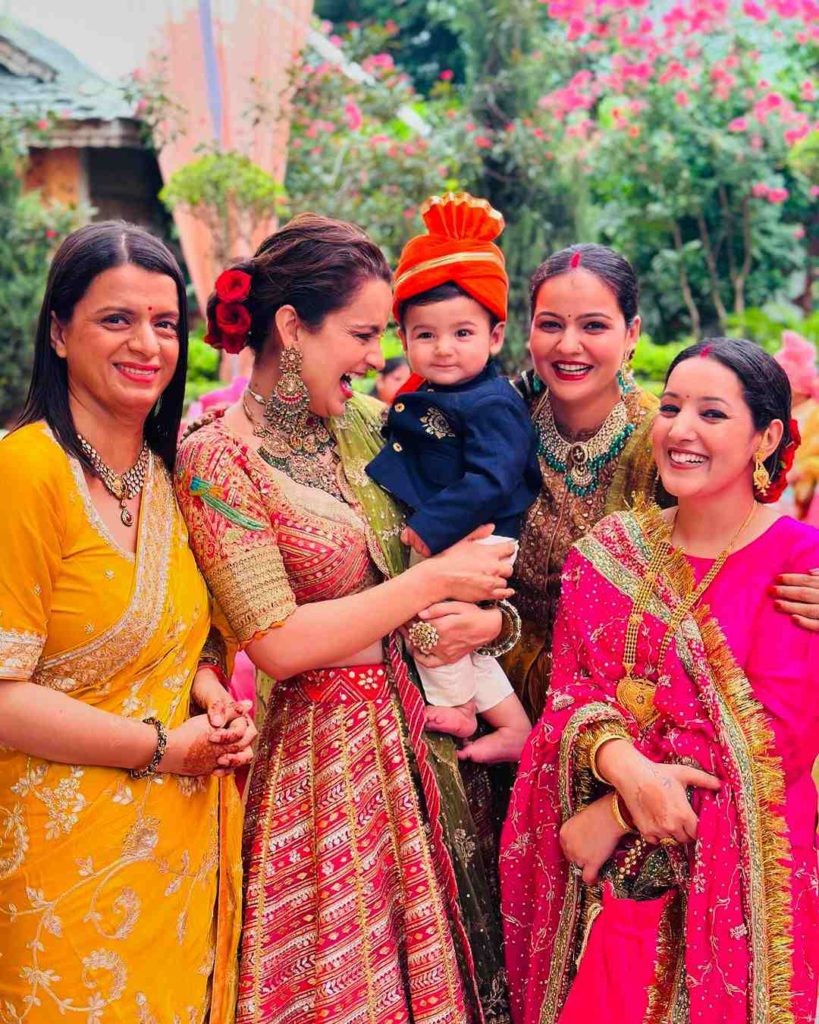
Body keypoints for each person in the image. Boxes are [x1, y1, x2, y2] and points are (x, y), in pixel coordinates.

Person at [174, 212, 518, 1024]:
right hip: (323, 770)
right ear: (291, 328)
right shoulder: (217, 457)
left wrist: (488, 625)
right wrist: (430, 579)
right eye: (364, 333)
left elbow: (474, 555)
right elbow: (281, 645)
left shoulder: (372, 426)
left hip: (434, 746)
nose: (378, 355)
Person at [501, 338, 819, 1024]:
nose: (679, 430)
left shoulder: (798, 564)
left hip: (736, 880)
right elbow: (569, 696)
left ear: (766, 437)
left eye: (711, 413)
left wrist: (612, 812)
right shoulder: (609, 554)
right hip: (605, 887)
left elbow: (771, 744)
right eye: (671, 406)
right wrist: (628, 776)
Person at [0, 221, 257, 1023]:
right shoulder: (26, 470)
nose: (147, 343)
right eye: (117, 319)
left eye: (164, 321)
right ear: (59, 332)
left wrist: (212, 699)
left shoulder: (166, 476)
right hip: (59, 874)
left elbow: (181, 645)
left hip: (175, 866)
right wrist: (162, 749)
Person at [490, 244, 819, 723]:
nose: (568, 345)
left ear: (632, 334)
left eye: (594, 325)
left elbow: (742, 552)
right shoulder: (499, 424)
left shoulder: (668, 445)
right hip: (488, 700)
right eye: (551, 324)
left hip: (626, 727)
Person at [367, 192, 539, 763]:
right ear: (405, 339)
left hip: (477, 530)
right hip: (462, 527)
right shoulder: (436, 391)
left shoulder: (491, 402)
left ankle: (459, 708)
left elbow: (493, 478)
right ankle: (511, 722)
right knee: (464, 635)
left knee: (431, 617)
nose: (443, 348)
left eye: (462, 333)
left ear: (494, 338)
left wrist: (431, 527)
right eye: (425, 335)